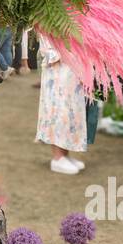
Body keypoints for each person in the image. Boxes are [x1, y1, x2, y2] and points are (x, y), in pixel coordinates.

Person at [36, 37, 87, 173]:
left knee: (72, 111)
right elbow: (46, 40)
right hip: (58, 66)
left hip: (73, 65)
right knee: (60, 110)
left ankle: (65, 154)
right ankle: (58, 157)